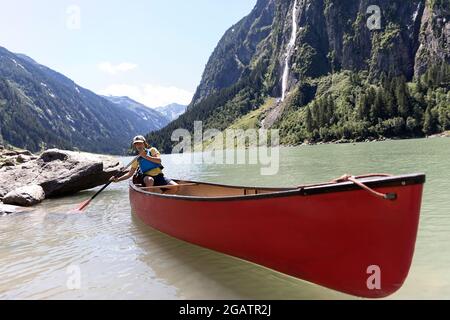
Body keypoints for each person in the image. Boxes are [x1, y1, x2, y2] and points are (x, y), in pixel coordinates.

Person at [110, 136, 178, 194]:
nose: (139, 145)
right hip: (146, 177)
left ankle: (161, 198)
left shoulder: (152, 150)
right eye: (136, 144)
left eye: (140, 143)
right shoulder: (136, 159)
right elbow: (129, 174)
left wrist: (145, 156)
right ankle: (149, 199)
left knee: (175, 187)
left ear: (144, 144)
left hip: (159, 176)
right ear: (135, 146)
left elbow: (159, 160)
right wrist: (118, 179)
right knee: (150, 180)